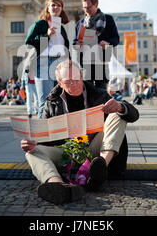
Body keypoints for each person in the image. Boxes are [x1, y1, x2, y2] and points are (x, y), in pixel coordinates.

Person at [21, 60, 139, 205]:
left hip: (96, 151)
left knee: (117, 114)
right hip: (67, 153)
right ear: (59, 82)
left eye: (77, 79)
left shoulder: (99, 94)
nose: (74, 84)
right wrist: (32, 142)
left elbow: (134, 115)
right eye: (68, 81)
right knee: (32, 152)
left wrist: (120, 107)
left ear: (82, 76)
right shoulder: (51, 102)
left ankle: (100, 168)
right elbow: (43, 136)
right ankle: (56, 185)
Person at [25, 0, 70, 119]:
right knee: (45, 101)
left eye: (58, 5)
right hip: (45, 62)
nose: (56, 7)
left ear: (61, 9)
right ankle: (42, 135)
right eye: (53, 5)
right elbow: (28, 41)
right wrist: (46, 35)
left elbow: (64, 47)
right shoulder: (40, 24)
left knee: (59, 101)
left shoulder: (62, 28)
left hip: (60, 64)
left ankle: (56, 133)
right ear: (48, 8)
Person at [73, 0, 120, 90]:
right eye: (84, 8)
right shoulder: (80, 23)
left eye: (89, 7)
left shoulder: (108, 19)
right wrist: (78, 44)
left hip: (101, 62)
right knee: (86, 91)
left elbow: (116, 39)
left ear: (96, 4)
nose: (86, 10)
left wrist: (108, 43)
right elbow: (74, 42)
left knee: (101, 93)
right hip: (86, 62)